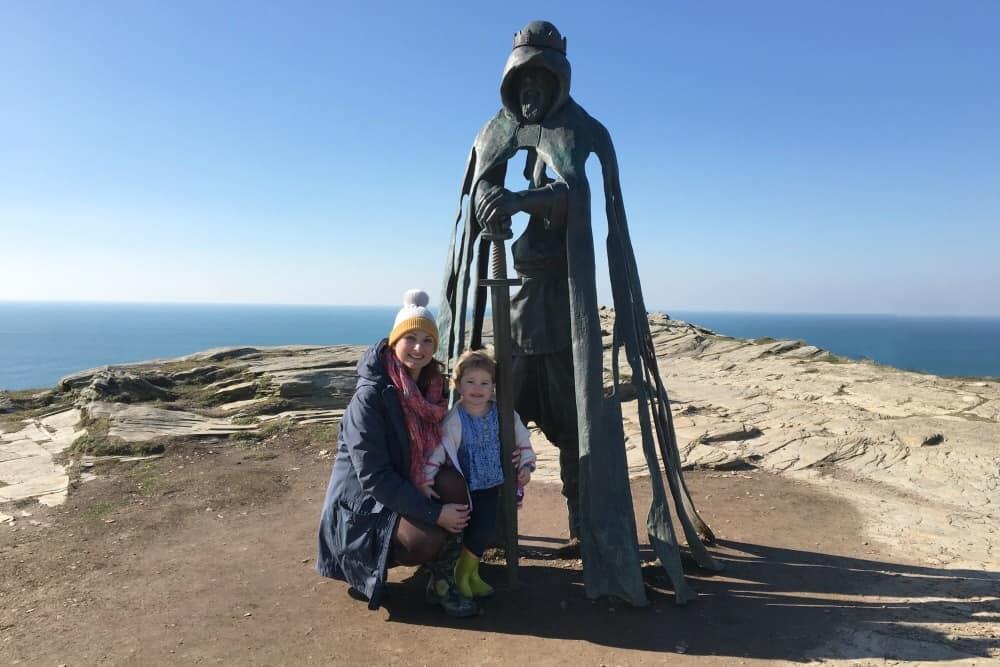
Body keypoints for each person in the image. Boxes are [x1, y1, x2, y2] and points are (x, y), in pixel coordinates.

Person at [438, 21, 720, 605]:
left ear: (558, 80)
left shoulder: (580, 132)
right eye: (524, 82)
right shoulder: (494, 132)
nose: (532, 93)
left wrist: (522, 199)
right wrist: (495, 206)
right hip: (518, 329)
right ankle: (484, 536)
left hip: (566, 329)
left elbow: (577, 196)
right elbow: (482, 202)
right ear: (511, 84)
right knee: (493, 436)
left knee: (576, 437)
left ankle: (586, 532)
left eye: (542, 80)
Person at [316, 289, 479, 617]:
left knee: (454, 484)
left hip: (405, 482)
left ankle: (443, 578)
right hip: (362, 505)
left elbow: (442, 445)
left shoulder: (430, 387)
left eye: (427, 340)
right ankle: (363, 566)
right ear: (394, 341)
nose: (419, 348)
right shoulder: (371, 396)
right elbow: (374, 476)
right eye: (410, 338)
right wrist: (434, 514)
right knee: (426, 539)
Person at [420, 350, 536, 598]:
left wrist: (525, 465)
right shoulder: (455, 419)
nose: (477, 388)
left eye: (485, 382)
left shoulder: (503, 413)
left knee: (484, 530)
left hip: (491, 484)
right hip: (464, 487)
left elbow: (522, 439)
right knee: (466, 532)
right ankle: (459, 575)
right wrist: (427, 479)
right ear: (458, 385)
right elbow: (439, 451)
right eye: (470, 381)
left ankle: (468, 573)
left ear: (493, 386)